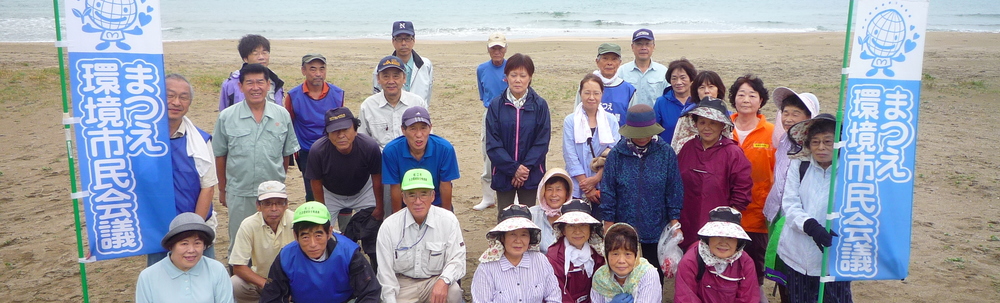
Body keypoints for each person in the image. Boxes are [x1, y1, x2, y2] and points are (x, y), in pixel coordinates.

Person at [213, 63, 300, 254]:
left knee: (276, 240)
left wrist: (279, 182)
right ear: (240, 87)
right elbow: (220, 155)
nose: (255, 88)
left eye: (260, 82)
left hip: (273, 194)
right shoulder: (227, 117)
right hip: (240, 191)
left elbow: (286, 155)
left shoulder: (281, 114)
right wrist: (223, 189)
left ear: (268, 85)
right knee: (239, 241)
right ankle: (239, 280)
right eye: (249, 83)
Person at [599, 104, 683, 281]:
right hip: (625, 223)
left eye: (647, 132)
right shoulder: (616, 155)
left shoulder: (666, 153)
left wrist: (674, 221)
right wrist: (608, 222)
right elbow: (608, 190)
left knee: (653, 270)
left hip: (656, 223)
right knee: (624, 268)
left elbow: (673, 187)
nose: (643, 137)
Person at [777, 114, 850, 302]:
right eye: (815, 142)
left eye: (828, 141)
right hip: (797, 254)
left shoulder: (851, 171)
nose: (821, 147)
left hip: (834, 255)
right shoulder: (799, 165)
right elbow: (790, 203)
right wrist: (810, 225)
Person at [147, 74, 219, 266]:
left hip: (196, 228)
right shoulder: (142, 139)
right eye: (170, 95)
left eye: (183, 97)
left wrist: (193, 230)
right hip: (157, 231)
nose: (176, 102)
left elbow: (208, 187)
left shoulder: (201, 141)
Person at [761, 87, 819, 303]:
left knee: (797, 270)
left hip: (799, 218)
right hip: (777, 213)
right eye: (785, 112)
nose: (788, 118)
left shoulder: (814, 146)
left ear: (808, 117)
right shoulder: (784, 141)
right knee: (781, 271)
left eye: (796, 113)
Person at [305, 107, 384, 265]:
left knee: (377, 226)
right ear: (327, 134)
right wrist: (323, 212)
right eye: (334, 131)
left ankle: (375, 263)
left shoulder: (369, 146)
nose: (341, 135)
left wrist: (379, 207)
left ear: (355, 129)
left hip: (363, 189)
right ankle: (325, 263)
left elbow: (377, 177)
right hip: (330, 192)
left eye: (345, 130)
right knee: (320, 229)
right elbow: (316, 182)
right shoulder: (317, 151)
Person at [259, 202, 381, 303]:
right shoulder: (286, 256)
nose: (313, 244)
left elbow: (370, 292)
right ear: (295, 236)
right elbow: (271, 296)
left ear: (329, 232)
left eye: (318, 235)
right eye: (305, 237)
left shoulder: (348, 253)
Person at [376, 168, 466, 303]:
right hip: (402, 285)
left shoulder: (448, 220)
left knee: (453, 291)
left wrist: (444, 281)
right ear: (403, 198)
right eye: (411, 195)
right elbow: (385, 274)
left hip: (435, 280)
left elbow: (457, 260)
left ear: (433, 196)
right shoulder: (389, 226)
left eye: (423, 194)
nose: (418, 201)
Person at [676, 98, 753, 250]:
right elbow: (674, 183)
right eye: (702, 122)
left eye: (713, 123)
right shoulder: (687, 148)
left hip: (718, 227)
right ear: (695, 123)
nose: (707, 128)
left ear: (722, 125)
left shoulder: (733, 153)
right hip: (686, 222)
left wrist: (728, 222)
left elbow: (742, 191)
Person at [485, 53, 551, 211]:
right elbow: (493, 144)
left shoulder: (540, 105)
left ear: (530, 77)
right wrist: (513, 169)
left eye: (523, 75)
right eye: (513, 75)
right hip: (503, 172)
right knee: (505, 217)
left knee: (528, 216)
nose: (518, 80)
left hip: (531, 172)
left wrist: (524, 169)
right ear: (506, 76)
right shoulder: (496, 105)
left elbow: (542, 142)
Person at [728, 74, 775, 290]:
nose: (746, 99)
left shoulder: (772, 133)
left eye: (752, 95)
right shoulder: (723, 126)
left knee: (754, 270)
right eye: (741, 94)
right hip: (726, 212)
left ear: (761, 101)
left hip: (758, 214)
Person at [284, 53, 345, 202]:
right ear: (303, 71)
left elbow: (341, 125)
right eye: (313, 69)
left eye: (321, 69)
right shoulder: (293, 96)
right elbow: (288, 124)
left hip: (332, 148)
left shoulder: (337, 94)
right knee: (312, 191)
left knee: (338, 189)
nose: (318, 73)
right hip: (306, 151)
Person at [472, 204, 561, 302]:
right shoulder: (486, 269)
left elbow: (554, 297)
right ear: (502, 237)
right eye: (512, 234)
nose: (518, 241)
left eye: (523, 235)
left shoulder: (540, 261)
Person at [136, 213, 233, 303]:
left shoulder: (217, 269)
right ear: (171, 246)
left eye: (197, 243)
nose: (191, 250)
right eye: (184, 243)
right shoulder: (148, 277)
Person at [381, 106, 460, 212]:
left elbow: (445, 185)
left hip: (436, 204)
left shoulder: (445, 149)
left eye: (423, 128)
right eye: (413, 128)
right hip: (407, 205)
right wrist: (397, 219)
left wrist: (446, 216)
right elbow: (395, 187)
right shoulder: (391, 151)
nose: (419, 135)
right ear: (403, 130)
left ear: (430, 128)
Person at [675, 207, 760, 303]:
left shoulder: (745, 263)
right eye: (718, 236)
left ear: (738, 242)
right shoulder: (690, 261)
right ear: (708, 238)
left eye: (730, 237)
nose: (723, 243)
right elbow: (685, 298)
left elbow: (748, 298)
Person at [229, 181, 295, 303]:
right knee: (236, 284)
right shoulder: (248, 225)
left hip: (292, 280)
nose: (274, 209)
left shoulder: (295, 221)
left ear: (286, 205)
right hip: (262, 280)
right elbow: (238, 266)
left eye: (279, 203)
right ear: (258, 206)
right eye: (268, 204)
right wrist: (268, 286)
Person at [564, 74, 620, 208]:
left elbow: (614, 153)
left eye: (596, 93)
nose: (591, 97)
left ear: (602, 94)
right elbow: (570, 155)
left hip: (604, 185)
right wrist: (587, 187)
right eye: (587, 93)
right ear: (580, 94)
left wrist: (596, 179)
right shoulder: (570, 121)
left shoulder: (611, 120)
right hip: (578, 186)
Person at [359, 55, 429, 149]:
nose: (391, 81)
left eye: (396, 76)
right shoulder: (368, 106)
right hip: (381, 160)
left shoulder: (417, 102)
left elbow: (427, 136)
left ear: (404, 78)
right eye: (386, 76)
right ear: (378, 79)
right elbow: (362, 141)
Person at [472, 32, 509, 211]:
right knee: (488, 154)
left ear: (505, 49)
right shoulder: (481, 69)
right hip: (489, 113)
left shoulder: (512, 66)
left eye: (500, 48)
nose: (497, 51)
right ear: (488, 49)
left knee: (510, 152)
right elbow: (483, 93)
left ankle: (513, 195)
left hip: (509, 112)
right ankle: (488, 197)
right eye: (493, 48)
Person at [546, 199, 606, 303]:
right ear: (563, 230)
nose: (577, 231)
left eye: (583, 225)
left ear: (591, 229)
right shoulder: (554, 257)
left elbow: (601, 287)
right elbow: (556, 292)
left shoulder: (598, 255)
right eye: (571, 226)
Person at [589, 223, 662, 303]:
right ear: (606, 255)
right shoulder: (600, 278)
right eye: (615, 254)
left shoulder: (647, 274)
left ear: (636, 255)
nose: (621, 261)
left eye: (628, 254)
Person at [373, 21, 433, 106]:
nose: (403, 43)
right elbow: (377, 98)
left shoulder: (426, 65)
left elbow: (428, 95)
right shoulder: (381, 68)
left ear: (413, 40)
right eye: (399, 39)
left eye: (407, 38)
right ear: (393, 41)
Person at [219, 34, 284, 111]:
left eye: (264, 52)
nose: (261, 57)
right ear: (245, 58)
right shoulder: (231, 83)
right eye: (255, 54)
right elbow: (224, 113)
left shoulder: (275, 80)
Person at [577, 43, 636, 125]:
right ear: (597, 61)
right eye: (605, 59)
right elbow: (577, 113)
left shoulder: (629, 90)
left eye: (614, 59)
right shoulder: (586, 85)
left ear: (619, 63)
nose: (609, 63)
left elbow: (633, 120)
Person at [670, 70, 727, 153]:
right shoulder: (687, 115)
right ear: (696, 91)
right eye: (702, 87)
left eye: (711, 86)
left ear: (718, 89)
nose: (706, 91)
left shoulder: (725, 114)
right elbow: (676, 144)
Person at [617, 29, 668, 108]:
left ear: (653, 47)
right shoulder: (622, 71)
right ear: (632, 47)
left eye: (647, 44)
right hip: (629, 119)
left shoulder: (663, 71)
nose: (643, 48)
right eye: (639, 44)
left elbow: (668, 99)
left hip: (655, 119)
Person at [529, 168, 574, 253]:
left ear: (567, 194)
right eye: (549, 189)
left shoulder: (574, 217)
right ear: (543, 192)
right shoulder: (531, 214)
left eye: (559, 189)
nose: (554, 194)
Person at [652, 58, 698, 142]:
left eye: (683, 78)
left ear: (691, 79)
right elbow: (654, 132)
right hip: (668, 152)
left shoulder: (699, 102)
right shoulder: (661, 102)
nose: (678, 82)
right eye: (674, 78)